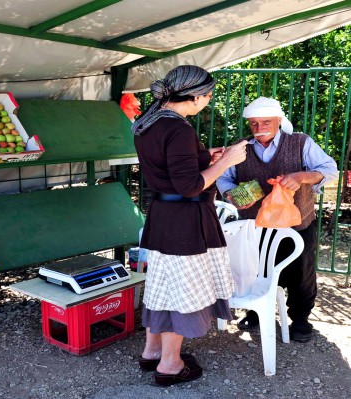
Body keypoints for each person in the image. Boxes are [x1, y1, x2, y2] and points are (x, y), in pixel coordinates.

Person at [133, 65, 248, 386]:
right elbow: (188, 186)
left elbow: (170, 168)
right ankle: (170, 364)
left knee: (162, 285)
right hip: (184, 221)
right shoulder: (179, 128)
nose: (208, 101)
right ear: (196, 96)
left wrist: (203, 156)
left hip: (163, 217)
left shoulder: (150, 121)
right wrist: (226, 162)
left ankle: (152, 350)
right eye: (208, 95)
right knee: (180, 290)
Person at [217, 97, 338, 343]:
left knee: (300, 272)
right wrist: (231, 194)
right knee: (254, 268)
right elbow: (223, 176)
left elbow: (330, 169)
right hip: (255, 225)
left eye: (266, 122)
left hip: (296, 224)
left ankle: (301, 319)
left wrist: (302, 176)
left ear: (279, 121)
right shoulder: (241, 147)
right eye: (253, 123)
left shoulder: (300, 142)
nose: (259, 127)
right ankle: (255, 312)